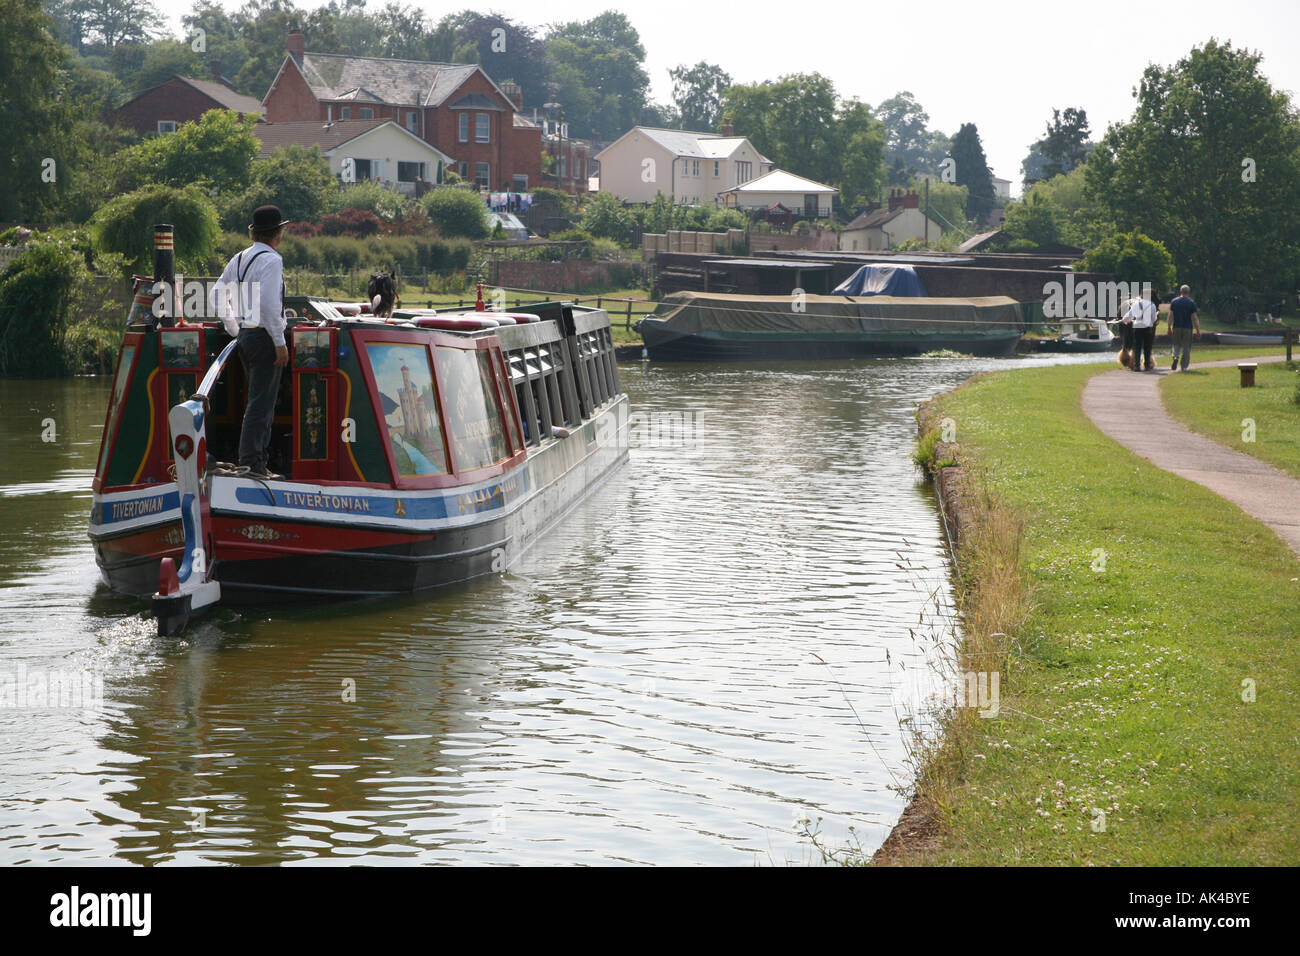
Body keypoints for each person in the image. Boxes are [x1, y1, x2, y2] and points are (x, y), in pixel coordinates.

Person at [211, 204, 290, 478]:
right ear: (278, 233)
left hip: (247, 336)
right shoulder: (272, 260)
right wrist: (279, 343)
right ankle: (253, 464)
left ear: (253, 233)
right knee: (262, 404)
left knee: (255, 402)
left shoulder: (240, 258)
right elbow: (269, 305)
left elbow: (216, 295)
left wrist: (235, 328)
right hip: (264, 338)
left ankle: (253, 461)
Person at [1121, 288, 1159, 371]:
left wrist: (1123, 321)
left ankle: (1137, 366)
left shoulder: (1136, 304)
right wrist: (1150, 323)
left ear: (1141, 295)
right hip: (1147, 328)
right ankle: (1147, 365)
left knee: (1137, 347)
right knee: (1147, 347)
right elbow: (1154, 318)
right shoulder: (1152, 305)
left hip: (1137, 327)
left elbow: (1129, 315)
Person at [1167, 284, 1201, 371]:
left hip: (1176, 327)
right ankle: (1183, 367)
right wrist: (1198, 330)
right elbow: (1195, 318)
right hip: (1187, 328)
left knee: (1176, 344)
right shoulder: (1191, 303)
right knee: (1186, 347)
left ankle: (1175, 357)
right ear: (1188, 292)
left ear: (1180, 292)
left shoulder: (1174, 301)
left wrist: (1169, 328)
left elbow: (1170, 316)